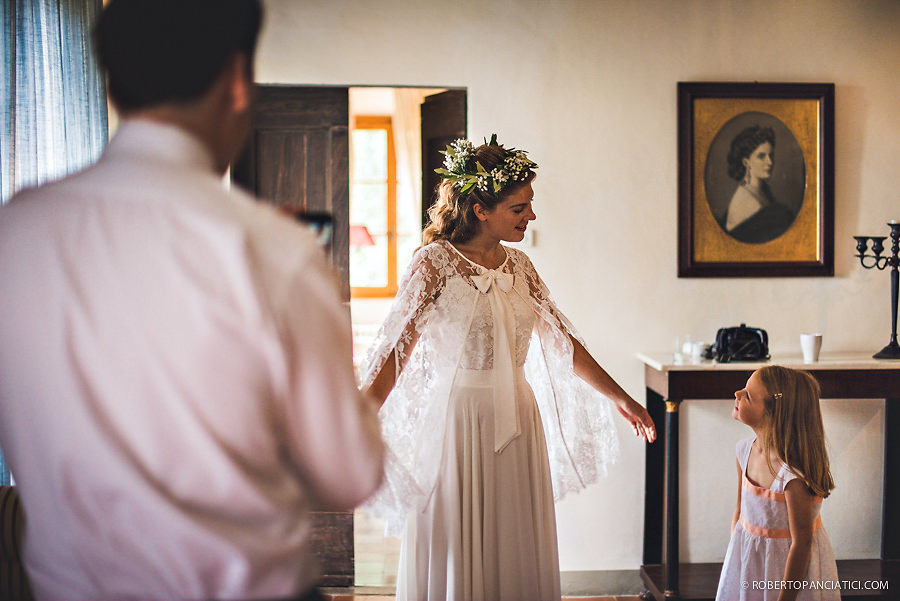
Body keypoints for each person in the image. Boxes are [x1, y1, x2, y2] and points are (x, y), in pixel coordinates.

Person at [0, 1, 384, 599]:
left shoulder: (14, 233)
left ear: (113, 78)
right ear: (236, 80)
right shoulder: (275, 251)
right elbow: (350, 475)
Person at [359, 135, 657, 601]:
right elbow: (395, 352)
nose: (531, 216)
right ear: (480, 208)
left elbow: (563, 341)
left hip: (519, 419)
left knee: (513, 532)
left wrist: (620, 396)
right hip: (457, 424)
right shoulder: (433, 265)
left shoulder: (522, 266)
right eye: (520, 207)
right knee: (458, 534)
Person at [716, 366, 839, 601]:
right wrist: (737, 559)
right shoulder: (744, 451)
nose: (737, 393)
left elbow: (801, 543)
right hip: (752, 566)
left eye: (748, 396)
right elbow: (740, 512)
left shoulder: (792, 477)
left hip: (788, 576)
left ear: (774, 415)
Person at [723, 125, 796, 244]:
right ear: (746, 163)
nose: (770, 162)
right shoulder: (746, 201)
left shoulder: (763, 191)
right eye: (761, 156)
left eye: (771, 155)